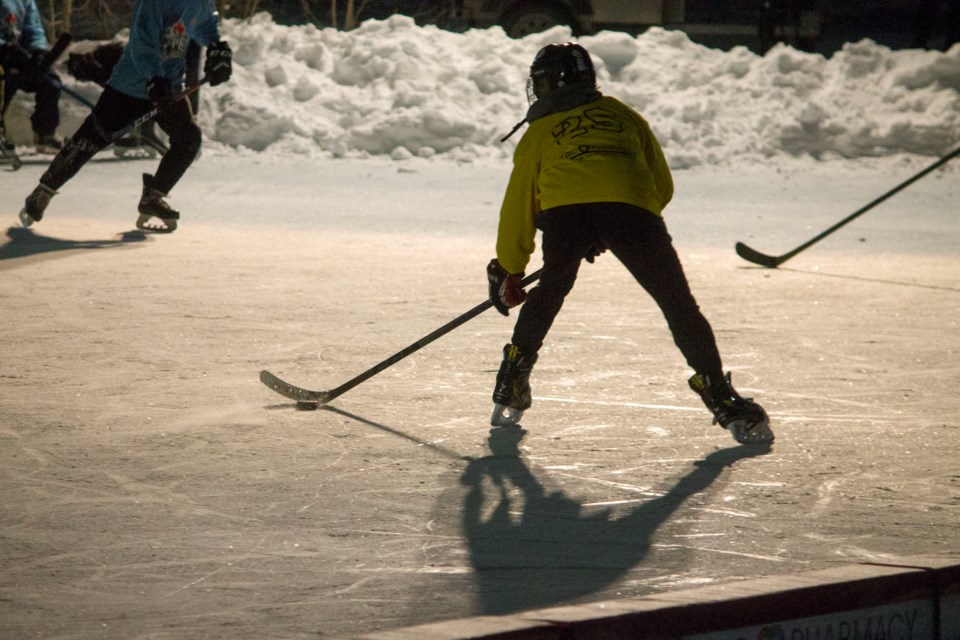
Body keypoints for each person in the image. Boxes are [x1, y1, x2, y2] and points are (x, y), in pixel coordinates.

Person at [486, 42, 773, 445]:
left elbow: (518, 206)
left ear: (546, 85)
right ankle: (721, 397)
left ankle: (512, 377)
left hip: (565, 214)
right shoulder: (624, 116)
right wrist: (616, 222)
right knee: (678, 304)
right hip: (633, 212)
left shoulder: (539, 134)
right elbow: (661, 186)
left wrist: (509, 267)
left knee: (551, 290)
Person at [18, 0, 233, 233]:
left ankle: (154, 196)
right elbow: (143, 43)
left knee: (189, 138)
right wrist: (154, 78)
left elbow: (205, 24)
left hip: (169, 85)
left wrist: (216, 47)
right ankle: (44, 191)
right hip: (129, 86)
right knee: (90, 140)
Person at [0, 0, 63, 153]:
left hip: (18, 56)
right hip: (4, 56)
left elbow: (33, 28)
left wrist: (38, 51)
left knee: (50, 83)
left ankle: (44, 133)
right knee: (5, 80)